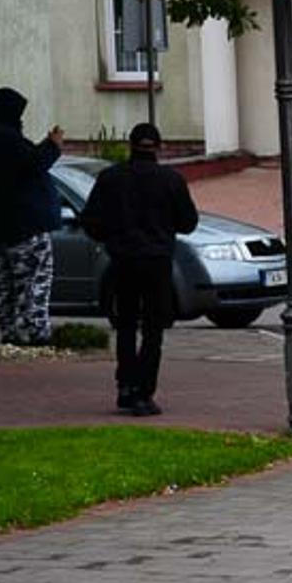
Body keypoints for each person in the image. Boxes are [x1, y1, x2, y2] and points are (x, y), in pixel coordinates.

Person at [80, 124, 198, 416]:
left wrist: (112, 238)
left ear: (130, 145)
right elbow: (188, 222)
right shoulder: (170, 180)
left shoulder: (111, 178)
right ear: (158, 147)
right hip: (157, 261)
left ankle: (126, 385)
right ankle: (144, 391)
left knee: (126, 324)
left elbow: (91, 221)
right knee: (154, 329)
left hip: (123, 260)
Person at [0, 87, 62, 346]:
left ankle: (10, 329)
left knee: (8, 281)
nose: (22, 119)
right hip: (25, 226)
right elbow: (32, 163)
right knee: (34, 280)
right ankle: (32, 333)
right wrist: (52, 146)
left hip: (2, 227)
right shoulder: (4, 139)